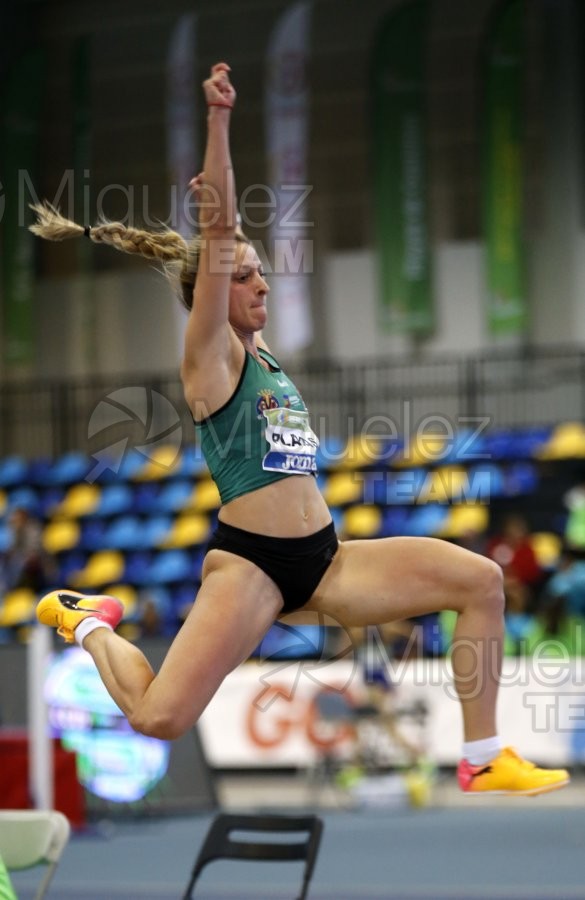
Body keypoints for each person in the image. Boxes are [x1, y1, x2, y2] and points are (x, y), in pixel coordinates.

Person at [31, 62, 568, 796]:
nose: (263, 283)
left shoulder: (270, 360)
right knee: (158, 717)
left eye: (260, 274)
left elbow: (228, 241)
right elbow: (220, 231)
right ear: (213, 291)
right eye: (247, 276)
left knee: (480, 581)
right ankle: (88, 621)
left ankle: (480, 755)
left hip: (325, 557)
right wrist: (219, 121)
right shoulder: (210, 355)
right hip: (252, 565)